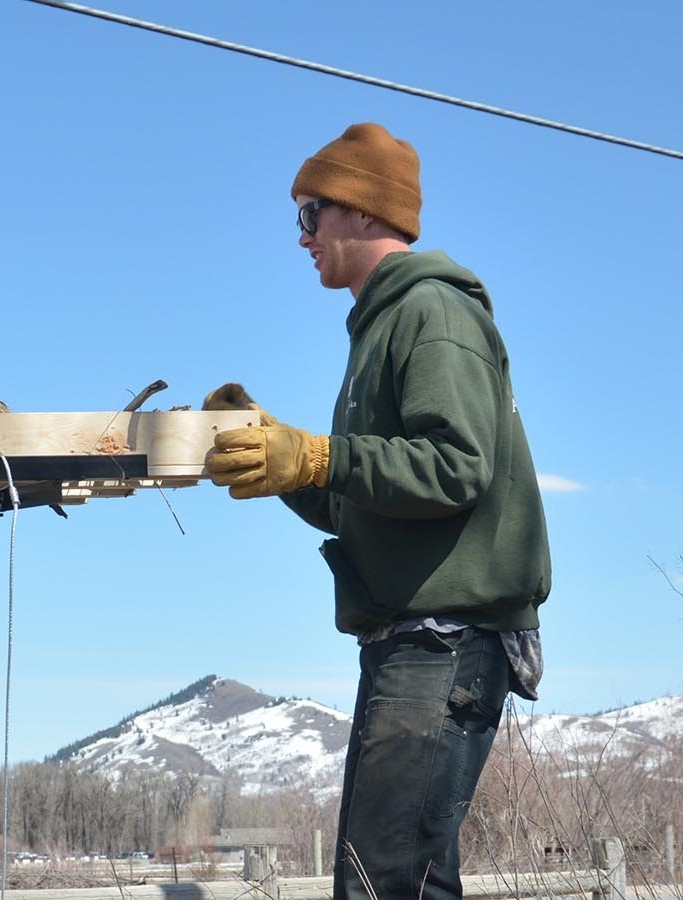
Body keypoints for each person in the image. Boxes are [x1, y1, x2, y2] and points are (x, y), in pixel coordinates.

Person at [203, 122, 550, 900]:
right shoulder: (378, 331)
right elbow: (365, 501)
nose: (301, 237)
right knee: (397, 882)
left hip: (447, 640)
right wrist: (278, 455)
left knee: (385, 885)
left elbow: (457, 467)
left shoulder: (434, 312)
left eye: (309, 214)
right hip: (414, 642)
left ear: (362, 211)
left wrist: (321, 453)